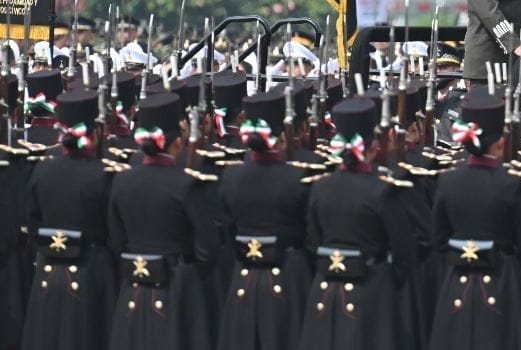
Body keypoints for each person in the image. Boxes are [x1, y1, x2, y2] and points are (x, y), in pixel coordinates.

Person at [298, 97, 418, 350]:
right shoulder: (383, 190)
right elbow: (404, 252)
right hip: (372, 290)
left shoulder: (320, 187)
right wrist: (385, 281)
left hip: (326, 288)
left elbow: (312, 242)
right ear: (373, 146)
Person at [107, 92, 221, 350]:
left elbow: (116, 239)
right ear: (177, 143)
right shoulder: (186, 185)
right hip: (177, 287)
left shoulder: (121, 180)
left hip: (134, 284)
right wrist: (189, 272)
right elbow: (208, 246)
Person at [429, 94, 521, 350]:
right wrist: (515, 272)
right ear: (501, 142)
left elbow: (438, 238)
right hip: (504, 278)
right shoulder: (514, 183)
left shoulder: (447, 180)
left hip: (457, 278)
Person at [22, 88, 116, 350]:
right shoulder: (104, 175)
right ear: (95, 132)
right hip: (92, 271)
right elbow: (114, 233)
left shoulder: (42, 169)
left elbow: (32, 222)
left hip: (47, 272)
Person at [216, 89, 311, 350]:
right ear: (283, 135)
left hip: (243, 276)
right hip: (290, 276)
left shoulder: (230, 176)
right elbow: (309, 235)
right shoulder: (299, 178)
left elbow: (228, 230)